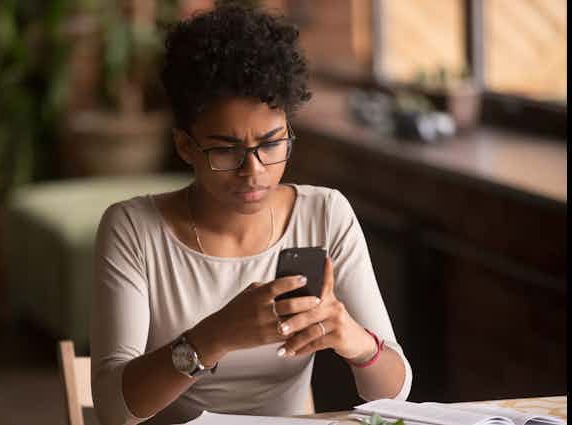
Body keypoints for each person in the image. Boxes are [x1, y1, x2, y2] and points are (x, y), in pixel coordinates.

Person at [90, 5, 412, 425]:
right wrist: (215, 337)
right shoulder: (134, 230)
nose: (254, 170)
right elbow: (115, 411)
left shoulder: (325, 214)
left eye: (272, 143)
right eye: (226, 149)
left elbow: (396, 396)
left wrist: (353, 339)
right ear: (186, 146)